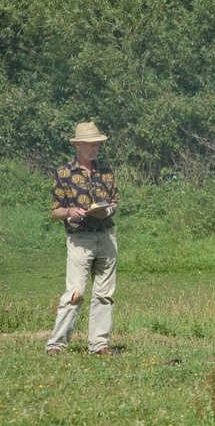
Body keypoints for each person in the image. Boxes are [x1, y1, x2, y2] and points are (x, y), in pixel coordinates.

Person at [46, 121, 120, 356]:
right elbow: (56, 210)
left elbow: (115, 200)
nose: (94, 148)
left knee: (105, 295)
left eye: (97, 144)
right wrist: (70, 212)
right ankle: (56, 344)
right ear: (78, 145)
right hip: (80, 239)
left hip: (106, 237)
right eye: (90, 144)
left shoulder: (106, 172)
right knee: (75, 293)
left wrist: (106, 210)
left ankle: (99, 345)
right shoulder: (64, 174)